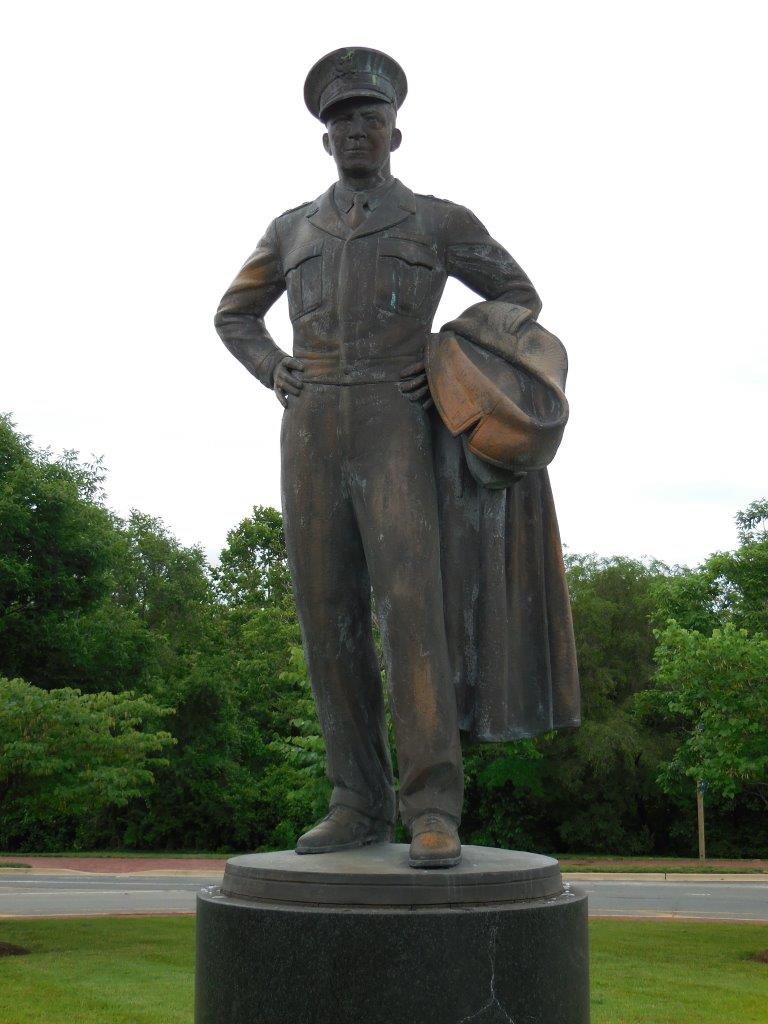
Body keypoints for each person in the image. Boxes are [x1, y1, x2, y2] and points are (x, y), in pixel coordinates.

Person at [214, 47, 579, 868]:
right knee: (325, 615)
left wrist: (449, 354)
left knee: (411, 609)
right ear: (326, 141)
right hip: (309, 425)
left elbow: (517, 295)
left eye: (369, 121)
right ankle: (355, 800)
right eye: (343, 123)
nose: (355, 133)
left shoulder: (437, 221)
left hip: (398, 422)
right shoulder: (289, 228)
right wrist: (275, 368)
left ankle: (431, 807)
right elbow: (234, 315)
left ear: (395, 134)